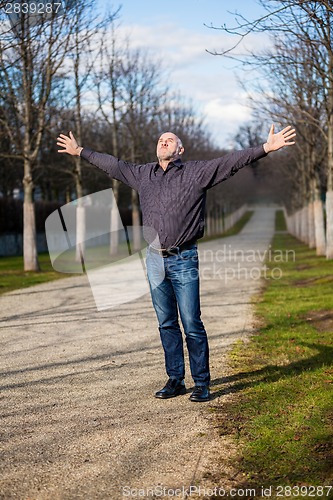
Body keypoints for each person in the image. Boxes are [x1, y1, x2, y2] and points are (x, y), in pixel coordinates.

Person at [57, 124, 296, 402]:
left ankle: (202, 383)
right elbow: (113, 165)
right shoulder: (143, 174)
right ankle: (175, 379)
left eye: (170, 140)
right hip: (155, 260)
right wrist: (81, 151)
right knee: (166, 323)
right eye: (160, 140)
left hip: (184, 259)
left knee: (192, 322)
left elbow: (231, 162)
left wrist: (266, 148)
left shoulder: (196, 173)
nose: (164, 142)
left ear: (180, 149)